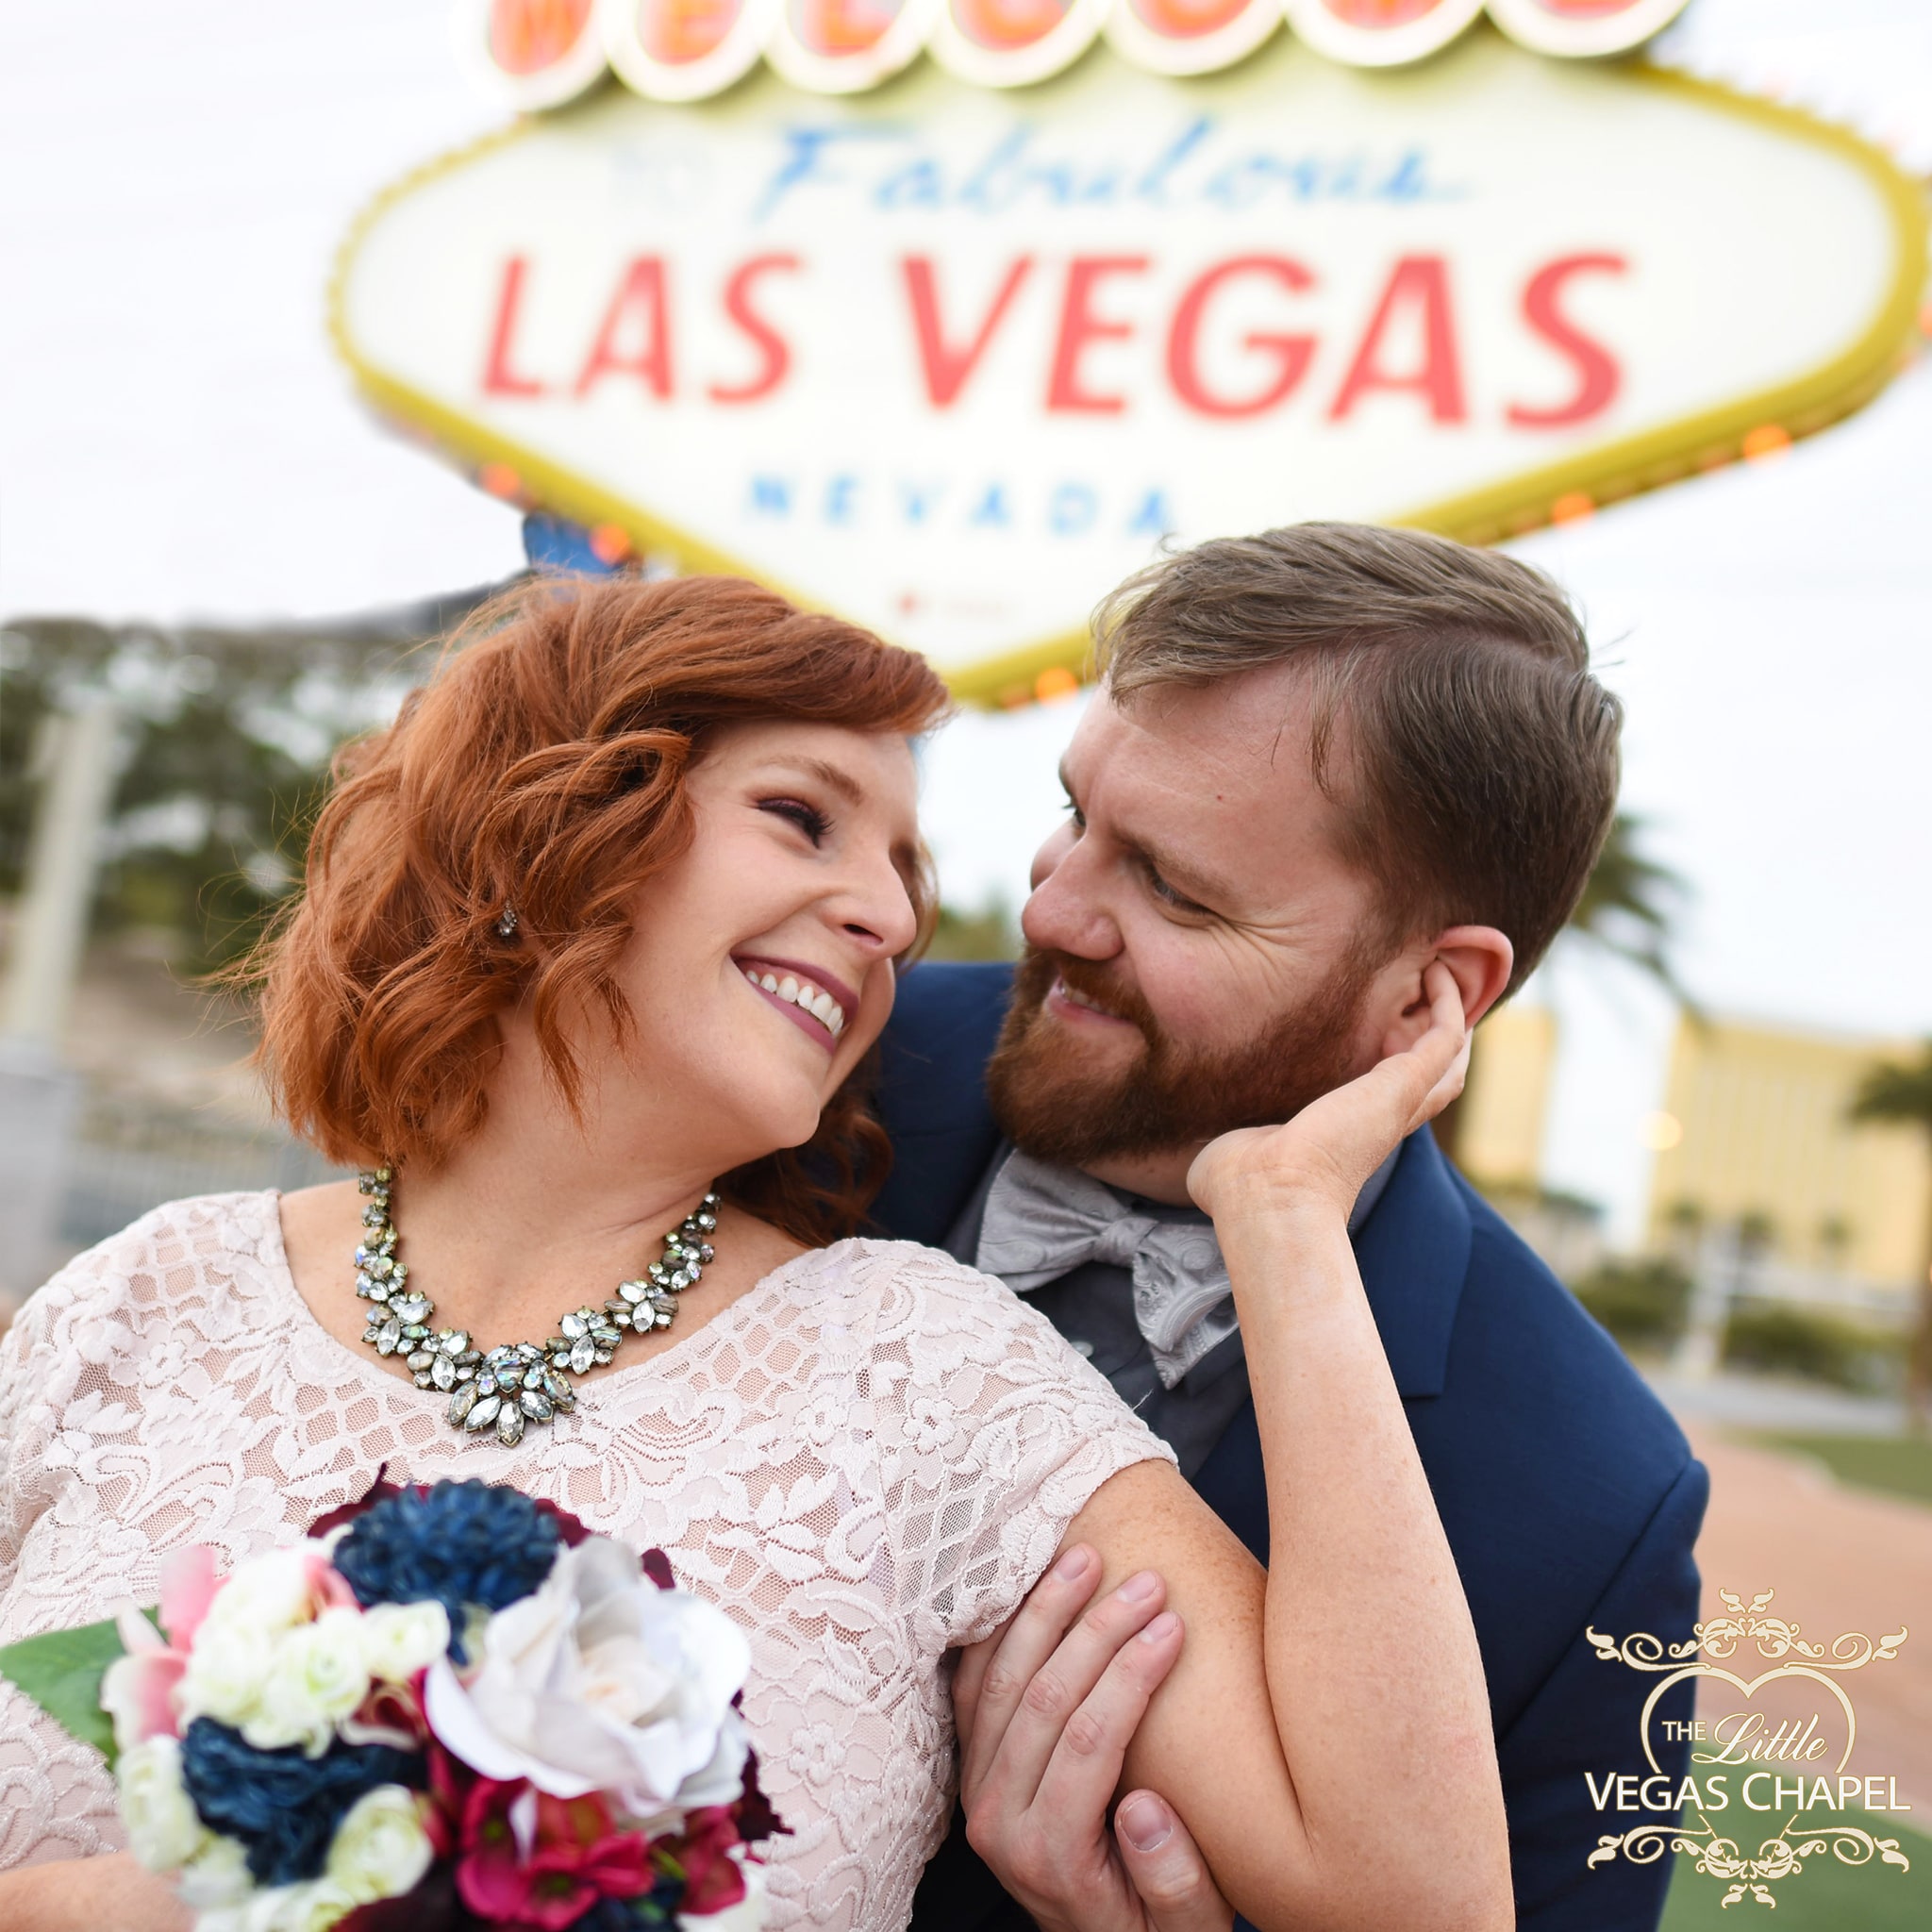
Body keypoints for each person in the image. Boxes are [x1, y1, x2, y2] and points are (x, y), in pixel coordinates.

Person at [0, 575, 1510, 1932]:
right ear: (547, 826)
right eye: (804, 817)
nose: (889, 917)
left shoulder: (934, 1369)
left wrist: (1287, 1220)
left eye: (905, 870)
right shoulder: (140, 1301)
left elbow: (1418, 1898)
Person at [878, 525, 1708, 1932]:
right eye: (1078, 815)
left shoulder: (1593, 1508)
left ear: (1423, 995)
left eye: (1176, 888)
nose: (1052, 906)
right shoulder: (805, 1093)